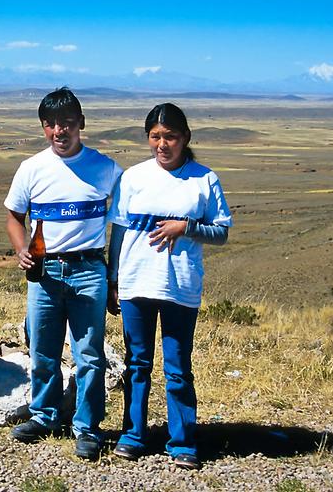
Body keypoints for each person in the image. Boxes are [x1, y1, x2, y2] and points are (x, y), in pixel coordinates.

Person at [107, 102, 231, 469]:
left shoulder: (204, 179)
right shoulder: (133, 177)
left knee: (177, 368)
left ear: (185, 138)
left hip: (180, 287)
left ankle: (183, 441)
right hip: (135, 283)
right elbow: (119, 231)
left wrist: (186, 227)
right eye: (155, 137)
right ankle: (132, 434)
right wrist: (113, 279)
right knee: (136, 363)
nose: (162, 144)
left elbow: (222, 232)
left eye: (170, 137)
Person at [4, 87, 123, 461]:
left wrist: (115, 275)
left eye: (68, 124)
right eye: (52, 124)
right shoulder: (31, 168)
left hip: (89, 269)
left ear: (81, 125)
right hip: (45, 272)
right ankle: (45, 415)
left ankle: (87, 427)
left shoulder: (106, 169)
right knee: (42, 350)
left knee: (88, 354)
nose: (60, 131)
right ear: (43, 127)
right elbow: (13, 216)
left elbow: (120, 224)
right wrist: (22, 249)